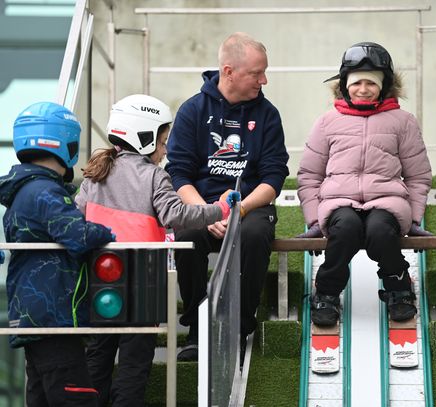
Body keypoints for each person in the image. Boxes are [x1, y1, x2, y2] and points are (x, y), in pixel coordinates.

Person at [75, 94, 240, 406]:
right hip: (143, 277)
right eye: (163, 143)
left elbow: (75, 216)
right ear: (145, 137)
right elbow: (177, 215)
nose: (165, 151)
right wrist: (220, 209)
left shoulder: (94, 174)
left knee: (98, 355)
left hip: (102, 276)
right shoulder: (154, 175)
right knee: (134, 362)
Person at [165, 32, 289, 362]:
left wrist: (241, 209)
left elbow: (274, 177)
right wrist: (207, 213)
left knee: (255, 234)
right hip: (202, 204)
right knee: (188, 235)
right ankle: (197, 329)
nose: (264, 80)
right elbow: (178, 174)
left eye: (264, 72)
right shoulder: (192, 110)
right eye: (256, 73)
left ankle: (239, 327)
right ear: (229, 71)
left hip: (251, 205)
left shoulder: (268, 114)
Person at [297, 42, 432, 325]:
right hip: (339, 201)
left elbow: (418, 175)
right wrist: (313, 219)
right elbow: (309, 175)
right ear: (345, 85)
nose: (363, 89)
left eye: (371, 83)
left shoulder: (403, 122)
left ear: (383, 87)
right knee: (345, 228)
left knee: (380, 230)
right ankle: (327, 292)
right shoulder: (327, 122)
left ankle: (399, 288)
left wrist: (414, 216)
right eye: (356, 83)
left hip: (386, 200)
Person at [0, 102, 115, 406]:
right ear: (66, 143)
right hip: (53, 316)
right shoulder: (44, 191)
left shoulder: (23, 191)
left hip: (35, 314)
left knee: (42, 396)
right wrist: (107, 231)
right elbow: (77, 234)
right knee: (74, 398)